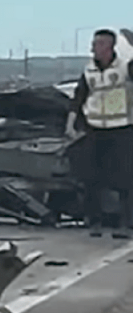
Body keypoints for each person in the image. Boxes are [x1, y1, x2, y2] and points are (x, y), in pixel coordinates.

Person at [71, 28, 133, 239]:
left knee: (125, 178)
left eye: (97, 44)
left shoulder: (125, 68)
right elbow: (78, 98)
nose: (92, 49)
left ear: (109, 46)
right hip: (95, 128)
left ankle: (125, 224)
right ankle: (94, 221)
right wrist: (72, 124)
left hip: (122, 128)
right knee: (91, 177)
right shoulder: (89, 72)